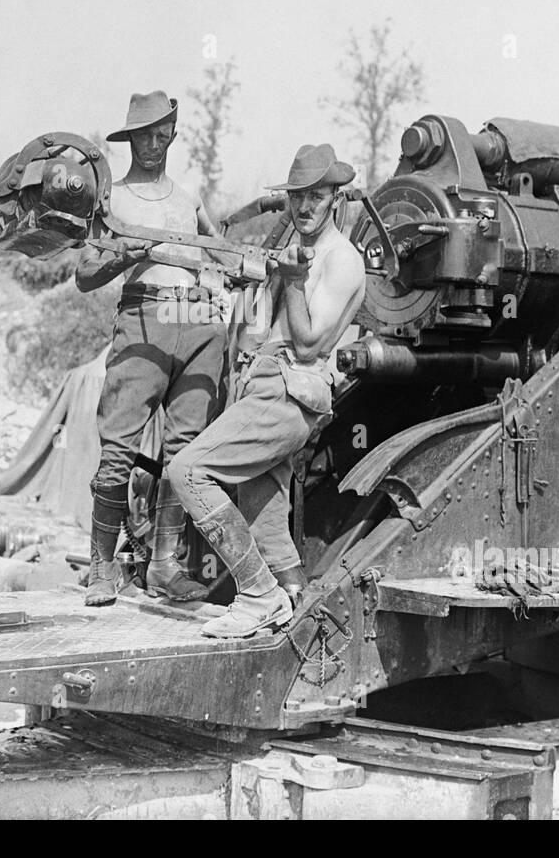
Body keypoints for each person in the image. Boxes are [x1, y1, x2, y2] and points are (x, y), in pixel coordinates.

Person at [167, 144, 366, 638]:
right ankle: (300, 612)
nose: (304, 208)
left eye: (316, 197)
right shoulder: (298, 253)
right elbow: (256, 326)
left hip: (290, 390)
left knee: (187, 470)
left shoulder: (342, 261)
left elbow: (309, 340)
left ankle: (258, 594)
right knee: (264, 515)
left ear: (335, 198)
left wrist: (294, 282)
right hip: (261, 383)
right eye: (297, 196)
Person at [74, 91, 227, 606]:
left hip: (198, 321)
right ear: (130, 138)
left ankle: (164, 566)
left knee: (186, 450)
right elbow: (85, 275)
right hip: (144, 317)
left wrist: (212, 282)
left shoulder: (189, 200)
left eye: (163, 135)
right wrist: (127, 255)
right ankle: (101, 567)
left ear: (173, 136)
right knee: (118, 448)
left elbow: (219, 257)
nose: (155, 145)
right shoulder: (112, 197)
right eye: (145, 135)